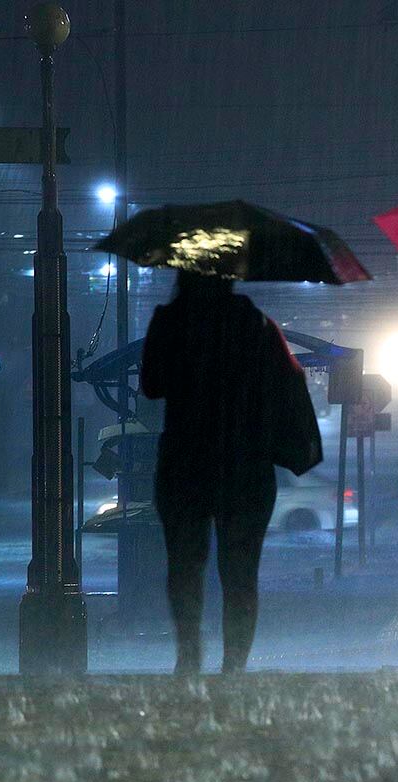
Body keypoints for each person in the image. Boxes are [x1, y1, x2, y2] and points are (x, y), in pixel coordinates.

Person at [140, 271, 308, 675]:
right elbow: (289, 380)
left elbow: (150, 386)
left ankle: (188, 655)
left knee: (184, 564)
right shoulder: (258, 325)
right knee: (240, 571)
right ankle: (234, 665)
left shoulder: (169, 320)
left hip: (186, 460)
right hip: (245, 463)